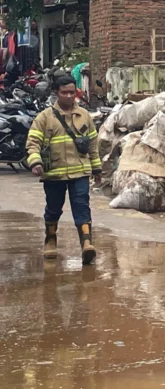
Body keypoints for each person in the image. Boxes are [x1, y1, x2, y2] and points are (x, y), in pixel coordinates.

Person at [26, 75, 102, 264]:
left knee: (82, 206)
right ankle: (50, 239)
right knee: (53, 209)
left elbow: (93, 144)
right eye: (64, 93)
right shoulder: (44, 118)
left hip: (80, 172)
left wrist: (97, 168)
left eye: (72, 92)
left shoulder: (84, 115)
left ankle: (86, 244)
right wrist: (35, 162)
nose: (69, 96)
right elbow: (33, 142)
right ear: (56, 93)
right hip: (54, 174)